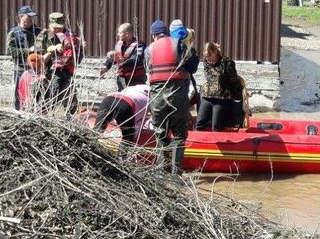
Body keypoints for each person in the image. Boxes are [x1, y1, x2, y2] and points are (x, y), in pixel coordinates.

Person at [145, 20, 199, 174]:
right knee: (180, 134)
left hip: (157, 98)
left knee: (160, 133)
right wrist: (192, 52)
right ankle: (176, 172)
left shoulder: (149, 49)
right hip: (177, 95)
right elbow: (192, 67)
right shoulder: (179, 44)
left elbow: (148, 68)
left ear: (153, 35)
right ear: (166, 32)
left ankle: (161, 171)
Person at [34, 12, 83, 116]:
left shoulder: (70, 36)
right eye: (54, 27)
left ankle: (70, 119)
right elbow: (37, 59)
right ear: (49, 25)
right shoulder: (43, 36)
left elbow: (79, 56)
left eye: (60, 28)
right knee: (46, 100)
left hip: (66, 73)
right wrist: (52, 52)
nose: (57, 30)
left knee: (71, 101)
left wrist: (68, 56)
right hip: (46, 75)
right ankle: (42, 118)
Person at [195, 42, 243, 131]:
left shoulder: (227, 63)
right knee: (199, 124)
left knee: (216, 127)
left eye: (209, 56)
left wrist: (236, 95)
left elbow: (234, 79)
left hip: (221, 98)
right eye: (206, 57)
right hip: (207, 96)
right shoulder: (206, 62)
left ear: (215, 53)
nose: (208, 59)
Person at [94, 84, 150, 157]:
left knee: (97, 130)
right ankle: (121, 160)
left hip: (109, 98)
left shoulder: (131, 88)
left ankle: (87, 150)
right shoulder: (151, 100)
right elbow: (139, 125)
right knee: (127, 138)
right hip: (126, 104)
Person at [6, 5, 40, 110]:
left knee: (37, 92)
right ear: (20, 17)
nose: (30, 19)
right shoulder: (14, 33)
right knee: (19, 94)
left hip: (36, 69)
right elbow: (10, 51)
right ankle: (18, 113)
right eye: (28, 16)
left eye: (32, 17)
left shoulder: (39, 32)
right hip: (20, 68)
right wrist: (28, 51)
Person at [100, 23, 147, 90]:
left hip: (135, 79)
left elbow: (136, 59)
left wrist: (123, 60)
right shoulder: (119, 44)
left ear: (127, 34)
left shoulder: (139, 45)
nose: (118, 34)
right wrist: (105, 66)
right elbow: (113, 59)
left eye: (120, 33)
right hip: (121, 79)